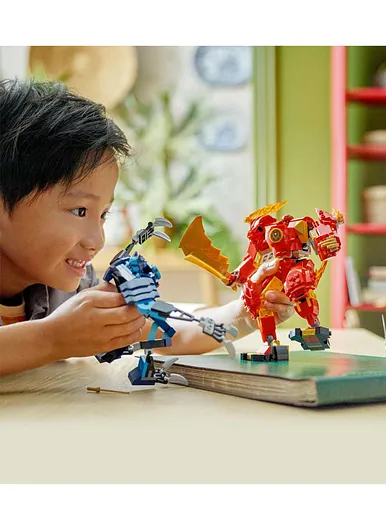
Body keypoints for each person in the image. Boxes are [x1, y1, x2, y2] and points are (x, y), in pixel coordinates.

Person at [0, 78, 294, 376]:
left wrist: (245, 311)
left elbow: (166, 330)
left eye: (103, 215)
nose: (96, 240)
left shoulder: (65, 288)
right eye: (80, 211)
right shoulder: (61, 298)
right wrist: (54, 339)